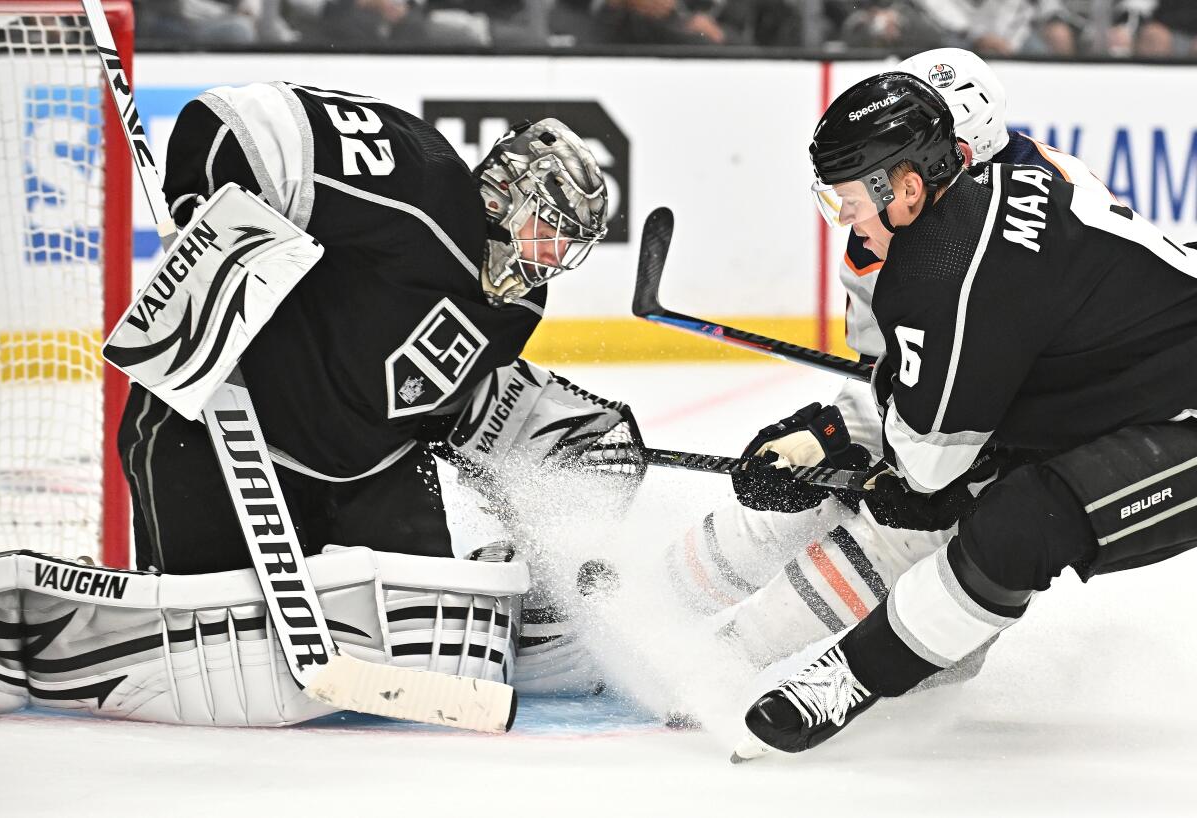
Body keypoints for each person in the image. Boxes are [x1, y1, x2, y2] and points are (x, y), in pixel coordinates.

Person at [733, 70, 1197, 759]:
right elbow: (981, 392)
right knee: (998, 494)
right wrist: (840, 439)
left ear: (909, 188)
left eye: (850, 201)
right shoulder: (995, 191)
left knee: (1022, 525)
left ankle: (853, 677)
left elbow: (926, 468)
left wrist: (865, 460)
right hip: (1140, 380)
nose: (847, 221)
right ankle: (929, 644)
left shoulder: (943, 277)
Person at [667, 49, 1109, 677]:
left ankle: (735, 657)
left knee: (909, 540)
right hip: (962, 412)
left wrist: (931, 469)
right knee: (802, 487)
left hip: (1044, 445)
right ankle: (649, 603)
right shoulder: (891, 226)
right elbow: (897, 370)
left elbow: (1050, 387)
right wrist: (834, 433)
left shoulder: (1037, 225)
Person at [118, 81, 633, 577]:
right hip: (220, 437)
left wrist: (517, 433)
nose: (550, 260)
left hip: (372, 478)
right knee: (217, 632)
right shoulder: (424, 187)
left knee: (431, 635)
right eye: (547, 232)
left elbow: (424, 396)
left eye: (567, 247)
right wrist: (204, 213)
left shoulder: (521, 308)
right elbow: (235, 122)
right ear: (502, 195)